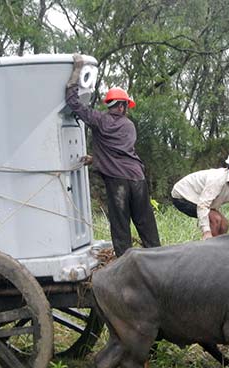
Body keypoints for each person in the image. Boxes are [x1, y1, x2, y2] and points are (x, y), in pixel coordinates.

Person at [65, 55, 160, 257]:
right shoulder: (129, 126)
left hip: (118, 182)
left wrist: (75, 73)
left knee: (120, 226)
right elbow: (120, 153)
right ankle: (159, 260)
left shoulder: (100, 120)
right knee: (146, 224)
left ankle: (125, 267)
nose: (125, 110)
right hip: (137, 178)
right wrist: (96, 159)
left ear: (111, 105)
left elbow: (72, 102)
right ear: (121, 106)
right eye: (125, 106)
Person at [171, 148, 229, 240]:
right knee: (215, 219)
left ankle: (218, 248)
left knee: (224, 224)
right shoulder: (218, 179)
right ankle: (210, 248)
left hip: (200, 200)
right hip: (182, 196)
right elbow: (203, 205)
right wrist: (207, 232)